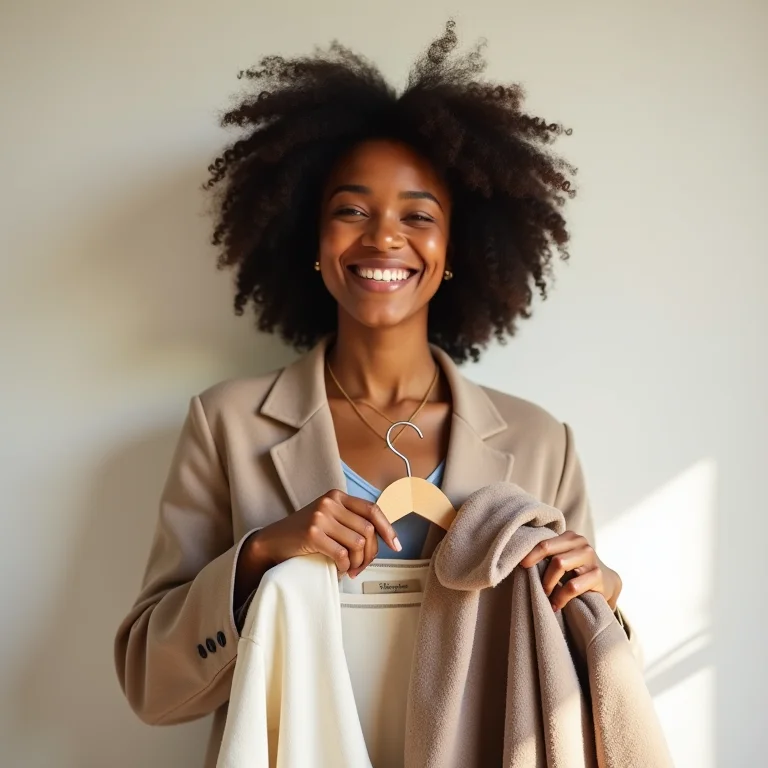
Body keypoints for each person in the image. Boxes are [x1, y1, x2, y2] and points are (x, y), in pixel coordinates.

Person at [114, 21, 627, 767]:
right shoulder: (225, 424)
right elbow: (152, 689)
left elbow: (579, 693)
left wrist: (603, 596)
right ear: (312, 240)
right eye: (352, 210)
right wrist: (258, 555)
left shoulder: (540, 441)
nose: (384, 238)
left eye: (418, 215)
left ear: (455, 250)